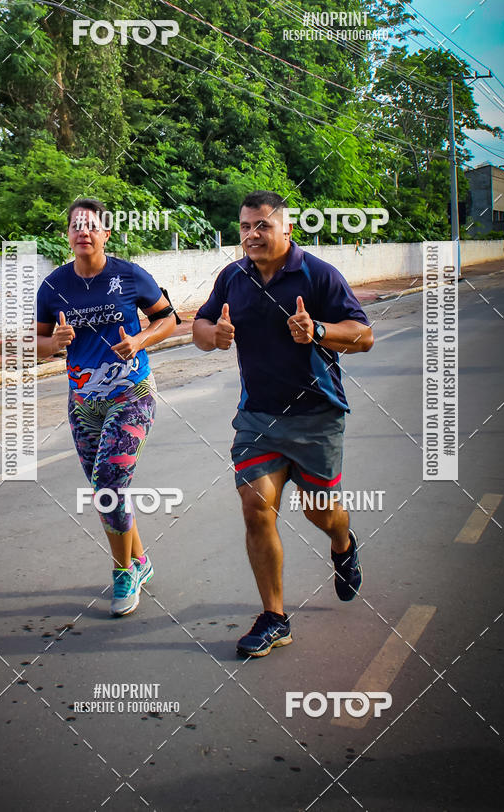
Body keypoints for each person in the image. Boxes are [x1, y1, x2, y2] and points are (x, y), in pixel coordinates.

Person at [193, 191, 374, 657]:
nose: (252, 235)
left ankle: (342, 540)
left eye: (262, 226)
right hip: (258, 417)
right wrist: (214, 336)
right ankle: (275, 617)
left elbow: (364, 335)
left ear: (286, 229)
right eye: (245, 227)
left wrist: (317, 330)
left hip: (317, 418)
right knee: (256, 507)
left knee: (320, 512)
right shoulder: (232, 277)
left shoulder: (318, 274)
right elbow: (198, 327)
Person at [36, 198, 176, 615]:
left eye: (92, 225)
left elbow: (169, 319)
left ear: (106, 233)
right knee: (105, 489)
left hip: (132, 394)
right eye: (76, 225)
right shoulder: (53, 286)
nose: (84, 232)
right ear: (68, 234)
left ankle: (122, 573)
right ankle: (140, 561)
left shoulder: (129, 275)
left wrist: (140, 341)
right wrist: (52, 345)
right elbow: (36, 342)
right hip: (82, 404)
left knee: (110, 482)